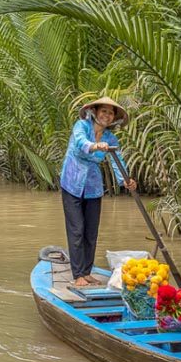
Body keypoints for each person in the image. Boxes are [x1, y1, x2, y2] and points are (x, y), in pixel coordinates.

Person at [59, 96, 137, 288]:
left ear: (114, 118)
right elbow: (80, 143)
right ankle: (77, 274)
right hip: (72, 182)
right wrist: (94, 145)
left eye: (110, 113)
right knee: (76, 230)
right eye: (104, 111)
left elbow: (117, 161)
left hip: (93, 186)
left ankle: (87, 271)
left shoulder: (111, 138)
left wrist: (126, 181)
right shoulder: (81, 126)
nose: (107, 116)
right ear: (94, 112)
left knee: (91, 232)